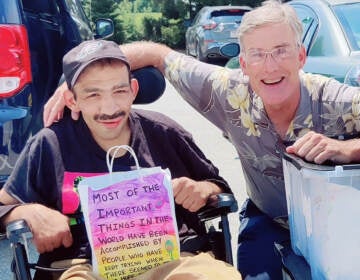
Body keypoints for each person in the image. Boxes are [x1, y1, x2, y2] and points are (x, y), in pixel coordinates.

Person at [44, 1, 360, 279]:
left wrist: (349, 148)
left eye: (281, 51)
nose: (271, 65)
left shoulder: (335, 100)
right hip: (268, 219)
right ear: (244, 64)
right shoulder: (226, 92)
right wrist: (77, 81)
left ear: (301, 56)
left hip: (340, 225)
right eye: (258, 55)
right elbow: (157, 54)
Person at [0, 39, 242, 280]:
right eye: (93, 94)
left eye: (119, 91)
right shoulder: (50, 145)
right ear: (72, 100)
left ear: (133, 90)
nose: (110, 107)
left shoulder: (163, 133)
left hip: (172, 258)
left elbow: (217, 186)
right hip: (83, 265)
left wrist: (202, 189)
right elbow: (3, 205)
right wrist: (29, 212)